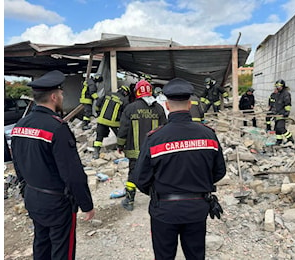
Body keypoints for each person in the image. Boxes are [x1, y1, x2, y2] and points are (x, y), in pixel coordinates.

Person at [132, 78, 226, 260]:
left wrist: (158, 192)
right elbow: (219, 171)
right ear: (190, 104)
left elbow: (140, 178)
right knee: (196, 256)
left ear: (167, 105)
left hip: (164, 210)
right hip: (197, 209)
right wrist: (199, 183)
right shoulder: (208, 134)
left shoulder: (154, 138)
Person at [11, 70, 95, 260]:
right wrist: (86, 204)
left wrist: (26, 190)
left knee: (41, 244)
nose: (63, 97)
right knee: (62, 250)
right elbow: (73, 174)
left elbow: (18, 164)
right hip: (57, 204)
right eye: (62, 94)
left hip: (33, 197)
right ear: (54, 96)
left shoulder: (20, 126)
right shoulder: (57, 128)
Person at [117, 79, 167, 211]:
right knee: (156, 172)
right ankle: (158, 198)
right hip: (155, 151)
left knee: (133, 173)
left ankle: (129, 200)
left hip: (135, 151)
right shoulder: (158, 108)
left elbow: (123, 129)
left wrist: (120, 145)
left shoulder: (130, 108)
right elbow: (165, 128)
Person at [92, 85, 131, 159]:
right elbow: (126, 113)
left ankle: (96, 152)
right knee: (121, 137)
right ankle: (124, 150)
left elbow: (97, 104)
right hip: (114, 123)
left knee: (99, 137)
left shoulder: (108, 94)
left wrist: (98, 113)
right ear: (125, 93)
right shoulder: (124, 100)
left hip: (102, 120)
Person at [272, 79, 295, 144]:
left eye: (279, 86)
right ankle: (279, 140)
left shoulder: (286, 94)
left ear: (283, 86)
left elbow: (288, 104)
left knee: (281, 127)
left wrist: (286, 112)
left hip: (282, 114)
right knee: (277, 128)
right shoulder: (278, 94)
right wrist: (273, 110)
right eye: (277, 86)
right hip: (277, 113)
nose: (277, 88)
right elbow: (276, 103)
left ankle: (290, 138)